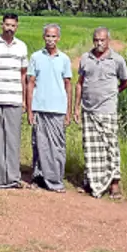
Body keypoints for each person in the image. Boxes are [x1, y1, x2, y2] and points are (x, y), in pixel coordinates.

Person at [74, 27, 127, 200]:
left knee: (110, 146)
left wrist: (112, 94)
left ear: (108, 41)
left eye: (102, 40)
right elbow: (80, 83)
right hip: (88, 109)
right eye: (96, 40)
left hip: (107, 110)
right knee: (91, 147)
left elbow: (125, 82)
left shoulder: (117, 60)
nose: (99, 43)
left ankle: (114, 185)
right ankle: (91, 182)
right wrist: (76, 106)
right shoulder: (85, 58)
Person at [26, 23, 72, 193]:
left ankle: (55, 180)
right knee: (39, 144)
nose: (50, 39)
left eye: (54, 36)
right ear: (43, 37)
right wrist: (30, 109)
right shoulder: (36, 57)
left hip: (58, 109)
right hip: (40, 107)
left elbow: (68, 85)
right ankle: (39, 177)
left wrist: (68, 111)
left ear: (58, 38)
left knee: (57, 146)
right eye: (48, 36)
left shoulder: (64, 59)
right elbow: (30, 83)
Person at [0, 13, 29, 189]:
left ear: (17, 26)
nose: (10, 28)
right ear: (1, 25)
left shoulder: (22, 47)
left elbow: (23, 75)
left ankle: (12, 177)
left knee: (13, 139)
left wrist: (25, 100)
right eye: (7, 25)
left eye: (13, 25)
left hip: (14, 98)